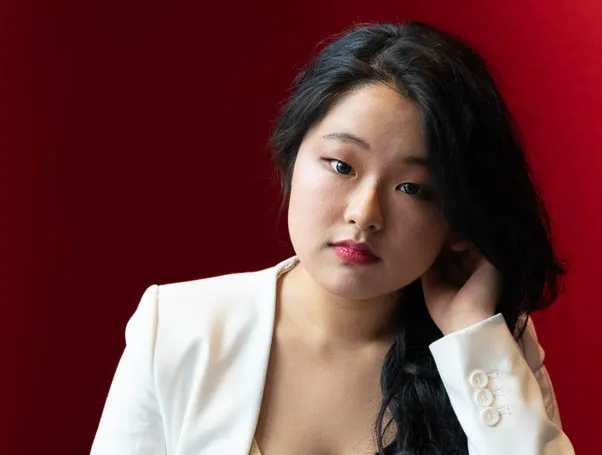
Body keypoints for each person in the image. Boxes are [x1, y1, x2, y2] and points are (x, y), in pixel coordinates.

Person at [91, 21, 575, 455]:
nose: (364, 215)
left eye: (412, 188)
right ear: (292, 157)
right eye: (342, 166)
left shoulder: (487, 347)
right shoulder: (177, 327)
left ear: (457, 215)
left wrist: (473, 335)